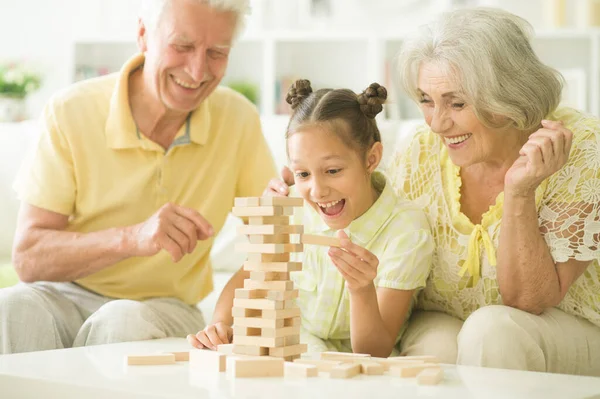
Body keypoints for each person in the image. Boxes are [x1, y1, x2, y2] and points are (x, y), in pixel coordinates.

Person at [0, 0, 277, 354]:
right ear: (144, 35)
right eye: (183, 46)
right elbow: (28, 258)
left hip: (166, 307)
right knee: (12, 307)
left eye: (217, 53)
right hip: (65, 293)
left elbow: (272, 239)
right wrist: (132, 238)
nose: (196, 71)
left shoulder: (238, 119)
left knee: (121, 320)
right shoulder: (70, 111)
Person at [384, 8, 600, 375]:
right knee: (436, 352)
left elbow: (530, 299)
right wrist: (308, 191)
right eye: (425, 99)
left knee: (491, 332)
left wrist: (520, 192)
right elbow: (374, 229)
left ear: (508, 95)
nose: (437, 123)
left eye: (457, 102)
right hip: (448, 319)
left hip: (565, 327)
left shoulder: (581, 149)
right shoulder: (418, 151)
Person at [187, 80, 434, 357]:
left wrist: (361, 289)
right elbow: (251, 274)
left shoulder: (406, 229)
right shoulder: (293, 208)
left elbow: (374, 350)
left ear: (371, 158)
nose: (317, 191)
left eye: (332, 170)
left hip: (355, 361)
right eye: (303, 174)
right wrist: (220, 325)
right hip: (297, 344)